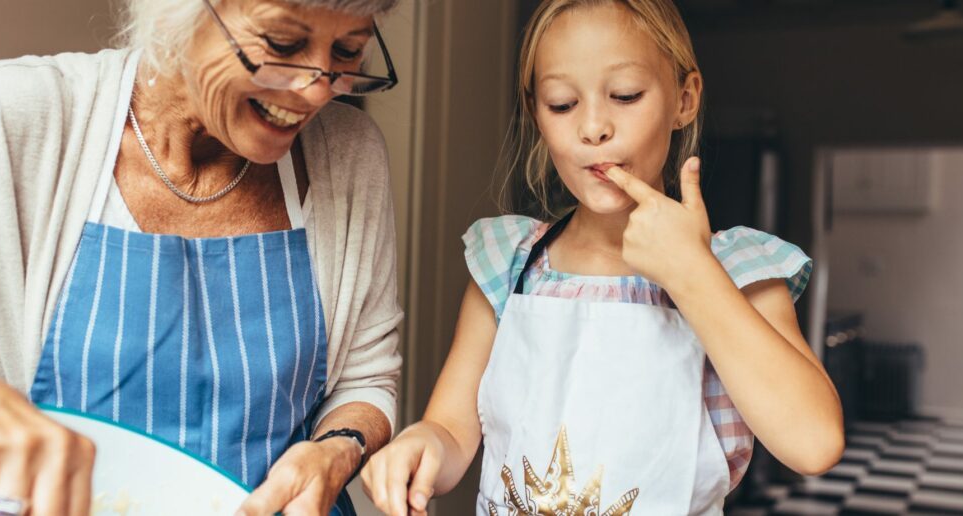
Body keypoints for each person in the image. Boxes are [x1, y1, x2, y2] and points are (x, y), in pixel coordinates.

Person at [360, 0, 844, 514]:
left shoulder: (740, 271)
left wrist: (694, 275)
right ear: (536, 116)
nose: (593, 127)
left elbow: (814, 444)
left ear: (685, 98)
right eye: (562, 103)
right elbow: (453, 431)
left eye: (625, 95)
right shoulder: (507, 264)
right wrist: (425, 445)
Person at [0, 0, 403, 514]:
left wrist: (337, 450)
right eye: (282, 44)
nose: (318, 88)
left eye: (347, 51)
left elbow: (366, 375)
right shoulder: (4, 120)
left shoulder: (350, 154)